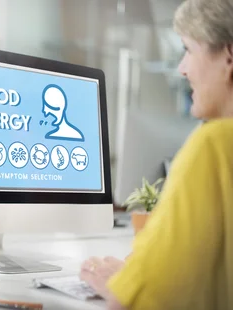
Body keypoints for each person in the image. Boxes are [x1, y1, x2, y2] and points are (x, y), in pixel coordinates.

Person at [79, 0, 233, 309]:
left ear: (228, 56)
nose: (182, 67)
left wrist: (125, 282)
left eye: (189, 49)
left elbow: (145, 300)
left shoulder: (214, 144)